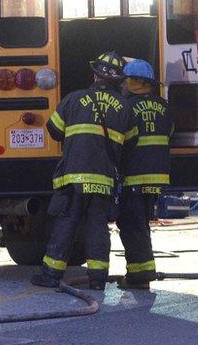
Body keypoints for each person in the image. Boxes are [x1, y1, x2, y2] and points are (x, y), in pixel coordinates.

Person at [32, 51, 134, 291]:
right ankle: (98, 280)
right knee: (98, 228)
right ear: (119, 81)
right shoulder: (125, 108)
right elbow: (130, 144)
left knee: (66, 225)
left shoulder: (74, 99)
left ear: (95, 75)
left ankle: (51, 275)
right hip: (104, 180)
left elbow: (54, 130)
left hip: (73, 177)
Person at [117, 59, 172, 290]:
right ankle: (141, 272)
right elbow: (169, 134)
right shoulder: (164, 106)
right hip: (157, 177)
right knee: (141, 223)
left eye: (124, 80)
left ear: (134, 82)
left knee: (131, 225)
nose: (121, 85)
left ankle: (140, 276)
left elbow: (123, 141)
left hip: (134, 176)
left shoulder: (126, 107)